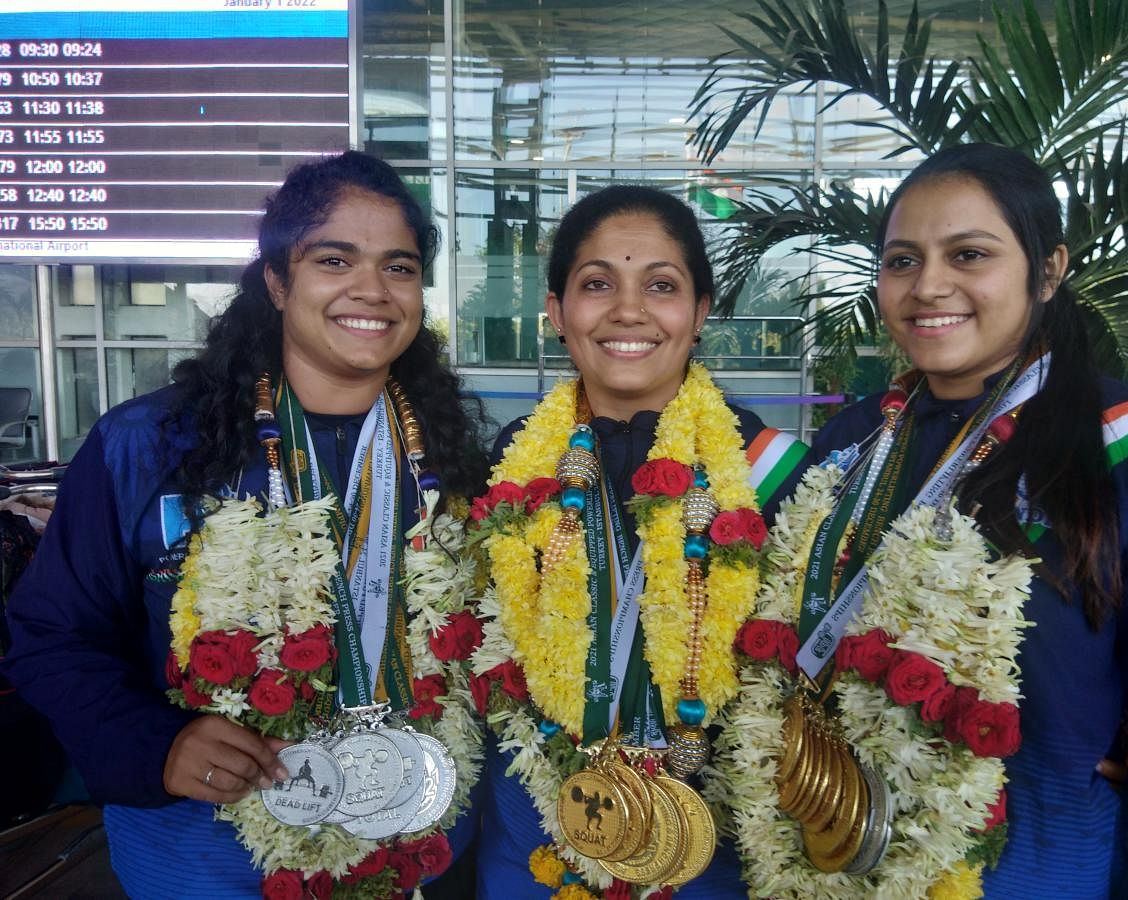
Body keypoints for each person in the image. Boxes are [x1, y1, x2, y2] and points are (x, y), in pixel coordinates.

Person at [1, 151, 489, 898]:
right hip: (201, 859)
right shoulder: (150, 445)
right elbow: (50, 634)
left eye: (399, 266)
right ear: (277, 281)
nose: (372, 290)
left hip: (413, 851)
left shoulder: (449, 455)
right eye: (334, 259)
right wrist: (155, 745)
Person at [738, 144, 1128, 897]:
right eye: (902, 261)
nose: (929, 286)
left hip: (1044, 869)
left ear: (1048, 269)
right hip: (830, 859)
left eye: (970, 254)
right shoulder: (854, 441)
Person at [467, 185, 807, 898]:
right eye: (598, 284)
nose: (629, 310)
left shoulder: (770, 471)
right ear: (558, 313)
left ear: (701, 311)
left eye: (661, 285)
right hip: (536, 838)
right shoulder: (515, 465)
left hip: (710, 854)